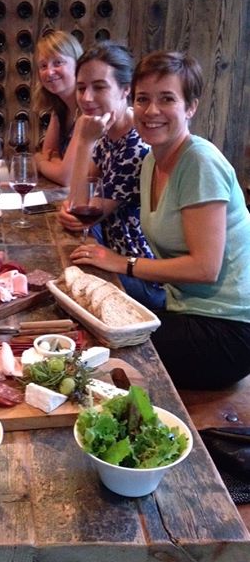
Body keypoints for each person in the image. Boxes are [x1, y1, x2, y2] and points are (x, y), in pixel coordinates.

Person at [70, 50, 250, 390]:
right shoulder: (153, 160)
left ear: (191, 106)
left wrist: (122, 263)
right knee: (82, 325)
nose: (151, 111)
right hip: (181, 308)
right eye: (143, 99)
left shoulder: (199, 162)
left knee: (96, 355)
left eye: (167, 99)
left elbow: (205, 268)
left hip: (229, 329)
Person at [58, 42, 165, 309]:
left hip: (142, 276)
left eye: (99, 87)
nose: (86, 97)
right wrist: (73, 207)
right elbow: (80, 199)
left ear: (126, 89)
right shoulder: (108, 129)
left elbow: (80, 212)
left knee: (60, 284)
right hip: (110, 251)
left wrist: (84, 141)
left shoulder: (136, 147)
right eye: (81, 88)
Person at [32, 29, 83, 182]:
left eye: (58, 62)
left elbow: (65, 177)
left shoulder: (88, 109)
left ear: (78, 65)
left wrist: (40, 162)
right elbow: (48, 152)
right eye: (43, 66)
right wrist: (52, 161)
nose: (49, 72)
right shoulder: (60, 108)